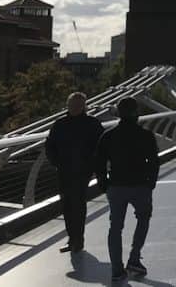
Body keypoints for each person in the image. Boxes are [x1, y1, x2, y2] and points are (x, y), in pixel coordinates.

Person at [96, 97, 160, 283]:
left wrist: (104, 183)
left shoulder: (108, 136)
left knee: (115, 227)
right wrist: (151, 182)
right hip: (141, 185)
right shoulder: (146, 135)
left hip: (116, 186)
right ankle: (134, 258)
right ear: (137, 113)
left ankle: (117, 269)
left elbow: (99, 161)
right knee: (143, 218)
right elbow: (154, 161)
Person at [44, 92, 103, 254]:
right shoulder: (59, 124)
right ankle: (72, 239)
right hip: (64, 171)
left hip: (83, 172)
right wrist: (56, 162)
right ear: (68, 105)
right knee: (66, 205)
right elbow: (49, 145)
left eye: (78, 105)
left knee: (78, 204)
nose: (75, 107)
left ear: (84, 106)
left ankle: (78, 240)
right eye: (72, 104)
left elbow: (101, 147)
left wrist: (93, 167)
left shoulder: (93, 124)